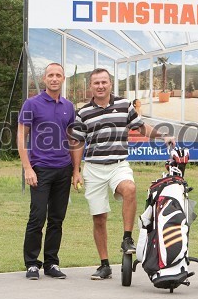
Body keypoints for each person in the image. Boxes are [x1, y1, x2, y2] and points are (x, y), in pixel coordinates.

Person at [69, 68, 175, 280]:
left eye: (104, 82)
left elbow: (141, 127)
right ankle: (104, 265)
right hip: (94, 169)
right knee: (99, 218)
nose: (100, 86)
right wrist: (76, 171)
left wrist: (162, 135)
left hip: (118, 164)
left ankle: (127, 238)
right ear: (91, 86)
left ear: (110, 84)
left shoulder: (124, 105)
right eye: (96, 83)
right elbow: (78, 142)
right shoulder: (82, 112)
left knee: (130, 188)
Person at [17, 63, 75, 280]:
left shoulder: (69, 106)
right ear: (44, 79)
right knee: (37, 217)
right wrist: (27, 168)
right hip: (40, 169)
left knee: (57, 219)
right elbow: (21, 137)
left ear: (63, 79)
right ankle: (32, 263)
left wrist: (75, 170)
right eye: (50, 75)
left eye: (58, 75)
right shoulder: (32, 104)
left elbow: (72, 139)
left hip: (63, 169)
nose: (54, 78)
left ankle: (51, 263)